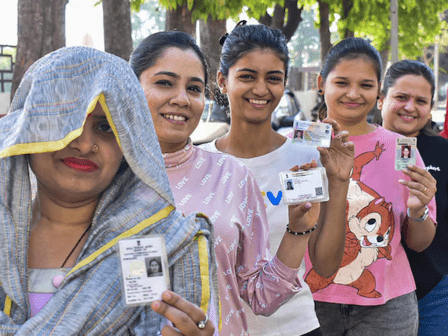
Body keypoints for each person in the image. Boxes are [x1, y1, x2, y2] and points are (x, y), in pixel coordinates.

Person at [0, 46, 218, 336]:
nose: (83, 143)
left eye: (105, 127)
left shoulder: (166, 242)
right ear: (27, 130)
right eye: (68, 119)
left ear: (130, 146)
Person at [130, 30, 331, 336]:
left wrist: (297, 230)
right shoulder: (104, 177)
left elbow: (262, 296)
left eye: (194, 88)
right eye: (164, 83)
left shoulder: (231, 175)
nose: (181, 98)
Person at [200, 23, 355, 336]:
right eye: (247, 76)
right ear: (222, 80)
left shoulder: (304, 158)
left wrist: (338, 184)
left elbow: (325, 266)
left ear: (284, 84)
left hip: (296, 327)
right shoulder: (198, 163)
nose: (260, 89)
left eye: (273, 78)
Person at [302, 38, 437, 336]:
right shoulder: (301, 145)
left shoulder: (401, 149)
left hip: (387, 305)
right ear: (322, 83)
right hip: (307, 302)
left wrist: (418, 212)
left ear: (378, 91)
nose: (353, 93)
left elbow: (419, 242)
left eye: (365, 85)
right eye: (342, 82)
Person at [378, 59, 448, 335]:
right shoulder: (357, 147)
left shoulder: (443, 152)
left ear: (430, 109)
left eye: (421, 100)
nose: (410, 107)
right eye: (401, 97)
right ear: (381, 98)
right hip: (372, 289)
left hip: (433, 289)